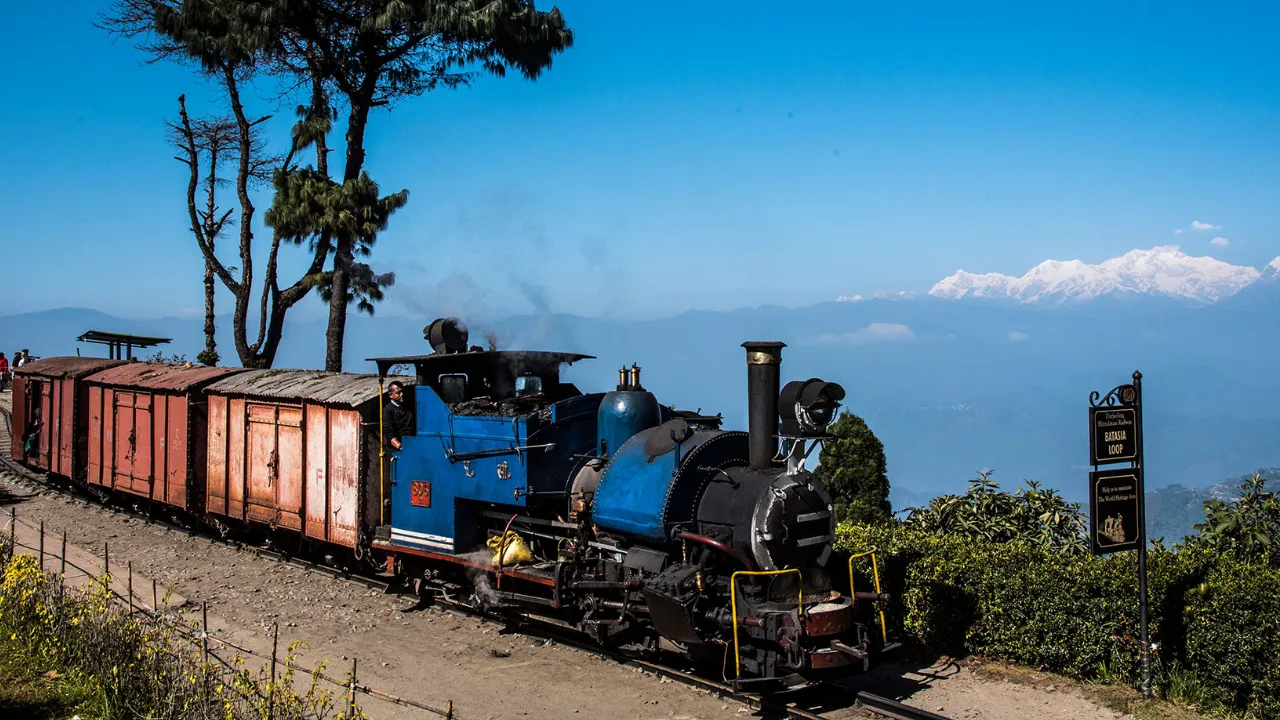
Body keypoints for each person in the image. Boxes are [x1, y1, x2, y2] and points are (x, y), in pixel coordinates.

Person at [381, 381, 415, 452]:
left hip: (410, 445)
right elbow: (389, 433)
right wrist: (401, 447)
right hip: (396, 450)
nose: (402, 394)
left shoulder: (408, 407)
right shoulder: (387, 410)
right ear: (390, 395)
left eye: (402, 392)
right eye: (398, 393)